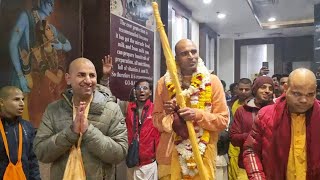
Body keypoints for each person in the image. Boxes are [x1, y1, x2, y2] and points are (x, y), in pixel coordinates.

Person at [33, 58, 128, 180]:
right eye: (81, 75)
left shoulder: (111, 109)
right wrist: (71, 132)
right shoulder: (53, 110)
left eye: (92, 75)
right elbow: (41, 152)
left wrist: (89, 131)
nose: (88, 80)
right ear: (68, 78)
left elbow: (120, 153)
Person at [153, 39, 229, 179]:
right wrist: (167, 113)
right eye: (184, 53)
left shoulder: (212, 81)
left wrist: (197, 115)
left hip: (202, 155)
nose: (191, 56)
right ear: (176, 58)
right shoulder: (163, 83)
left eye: (193, 51)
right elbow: (156, 121)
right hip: (169, 157)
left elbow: (223, 121)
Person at [243, 68, 320, 179]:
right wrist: (257, 177)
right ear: (286, 88)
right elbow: (251, 150)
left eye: (310, 94)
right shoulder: (266, 115)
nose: (304, 100)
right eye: (297, 94)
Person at [101, 56, 160, 180]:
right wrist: (106, 78)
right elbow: (108, 98)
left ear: (150, 92)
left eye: (145, 88)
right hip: (130, 161)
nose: (141, 91)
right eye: (138, 88)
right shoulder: (127, 106)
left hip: (149, 164)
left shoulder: (157, 110)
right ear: (135, 92)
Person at [230, 76, 274, 179]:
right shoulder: (242, 111)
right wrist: (253, 135)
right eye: (263, 87)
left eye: (270, 88)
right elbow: (233, 138)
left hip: (272, 167)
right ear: (255, 89)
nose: (267, 91)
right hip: (246, 166)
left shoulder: (278, 110)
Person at [0, 86, 40, 179]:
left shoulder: (27, 127)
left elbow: (32, 161)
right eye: (16, 99)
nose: (22, 103)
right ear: (2, 102)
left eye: (23, 99)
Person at [228, 78, 252, 180]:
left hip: (248, 148)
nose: (243, 92)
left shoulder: (255, 105)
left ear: (252, 90)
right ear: (236, 89)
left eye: (247, 89)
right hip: (232, 147)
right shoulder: (231, 103)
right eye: (241, 89)